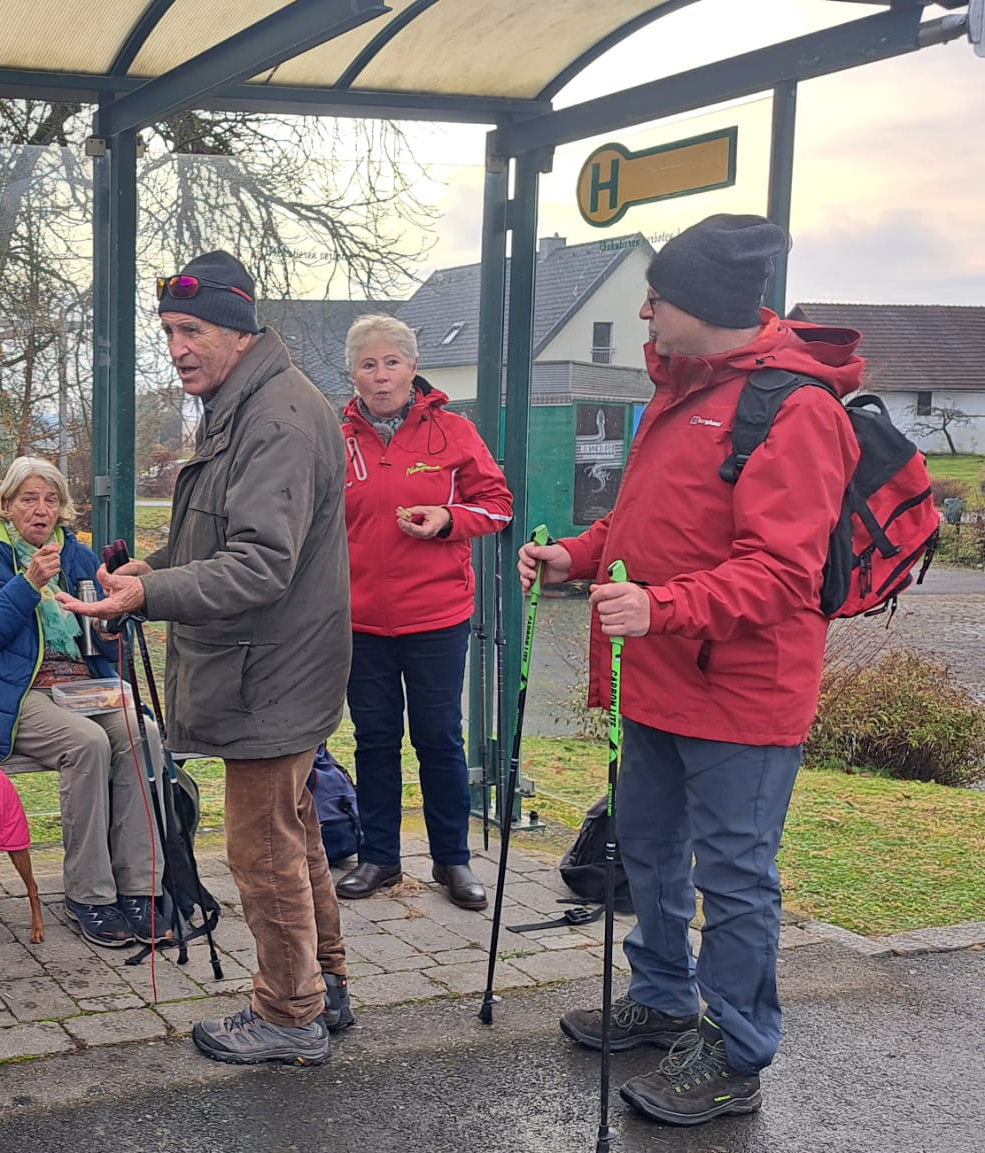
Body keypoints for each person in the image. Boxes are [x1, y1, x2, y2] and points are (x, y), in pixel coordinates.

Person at [519, 215, 860, 1128]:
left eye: (657, 298)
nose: (645, 312)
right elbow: (648, 526)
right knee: (650, 849)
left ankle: (736, 1054)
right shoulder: (680, 388)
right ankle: (664, 998)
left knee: (735, 879)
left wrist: (660, 607)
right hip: (659, 679)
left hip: (743, 695)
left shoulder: (796, 410)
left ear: (703, 306)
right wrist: (578, 555)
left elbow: (783, 573)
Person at [65, 251, 353, 1067]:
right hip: (276, 664)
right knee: (294, 833)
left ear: (239, 330)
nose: (177, 348)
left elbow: (261, 563)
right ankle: (324, 985)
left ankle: (290, 1013)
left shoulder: (274, 417)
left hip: (272, 672)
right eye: (168, 331)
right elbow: (220, 539)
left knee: (263, 849)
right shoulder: (245, 402)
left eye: (191, 330)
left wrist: (146, 595)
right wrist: (150, 571)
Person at [333, 314, 513, 911]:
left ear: (413, 368)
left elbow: (499, 506)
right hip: (360, 621)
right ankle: (379, 857)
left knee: (438, 737)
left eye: (392, 362)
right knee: (374, 739)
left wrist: (448, 519)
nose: (380, 375)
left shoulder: (454, 432)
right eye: (368, 364)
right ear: (353, 373)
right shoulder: (335, 438)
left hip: (437, 615)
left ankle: (452, 859)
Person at [0, 456, 162, 947]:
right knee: (87, 743)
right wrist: (27, 585)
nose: (41, 510)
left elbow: (104, 639)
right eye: (29, 499)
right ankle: (89, 894)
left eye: (50, 500)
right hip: (15, 695)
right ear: (7, 504)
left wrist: (109, 628)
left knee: (143, 733)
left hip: (83, 685)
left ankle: (140, 888)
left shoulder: (78, 555)